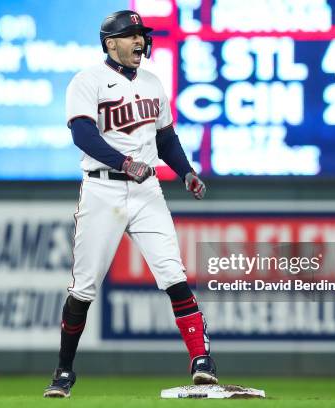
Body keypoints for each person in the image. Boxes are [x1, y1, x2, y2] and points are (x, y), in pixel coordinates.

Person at [44, 10, 216, 398]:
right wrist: (122, 162)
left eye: (142, 34)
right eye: (132, 34)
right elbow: (82, 134)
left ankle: (201, 360)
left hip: (147, 192)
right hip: (102, 190)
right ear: (111, 43)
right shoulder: (87, 81)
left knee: (173, 273)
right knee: (84, 288)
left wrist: (186, 171)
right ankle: (64, 371)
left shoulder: (154, 83)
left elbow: (166, 139)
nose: (141, 40)